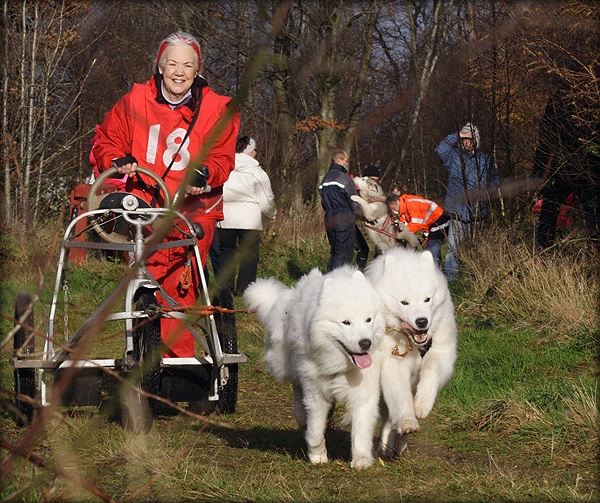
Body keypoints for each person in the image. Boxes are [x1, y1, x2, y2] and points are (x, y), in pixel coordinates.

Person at [92, 31, 240, 357]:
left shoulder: (218, 109)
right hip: (147, 206)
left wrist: (206, 173)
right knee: (146, 281)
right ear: (160, 67)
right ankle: (145, 358)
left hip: (195, 210)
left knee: (183, 286)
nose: (179, 72)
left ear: (197, 70)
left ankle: (178, 363)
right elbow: (107, 140)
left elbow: (222, 156)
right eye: (172, 63)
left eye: (187, 65)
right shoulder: (134, 102)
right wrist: (117, 160)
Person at [435, 123, 499, 280]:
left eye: (470, 138)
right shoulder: (455, 156)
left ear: (476, 140)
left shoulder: (485, 159)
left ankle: (475, 278)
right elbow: (441, 149)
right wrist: (458, 134)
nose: (466, 142)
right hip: (457, 211)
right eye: (464, 139)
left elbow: (495, 179)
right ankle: (452, 280)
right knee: (453, 249)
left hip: (478, 211)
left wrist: (486, 194)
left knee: (476, 248)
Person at [217, 136, 277, 296]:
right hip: (249, 220)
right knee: (249, 255)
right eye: (255, 150)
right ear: (250, 152)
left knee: (226, 252)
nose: (256, 153)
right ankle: (245, 289)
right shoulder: (257, 172)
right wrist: (272, 213)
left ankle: (225, 287)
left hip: (225, 217)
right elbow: (266, 197)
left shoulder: (224, 167)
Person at [319, 149, 360, 271]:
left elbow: (323, 199)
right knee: (344, 252)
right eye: (345, 161)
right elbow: (354, 200)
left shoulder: (324, 180)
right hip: (344, 217)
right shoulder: (344, 178)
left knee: (335, 251)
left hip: (329, 218)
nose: (347, 164)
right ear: (339, 160)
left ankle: (329, 279)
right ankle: (338, 282)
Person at [386, 192, 450, 267]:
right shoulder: (403, 207)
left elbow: (416, 224)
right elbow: (405, 223)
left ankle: (433, 271)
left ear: (396, 203)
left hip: (438, 221)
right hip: (429, 224)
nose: (394, 212)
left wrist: (402, 234)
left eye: (393, 209)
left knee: (430, 251)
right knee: (428, 248)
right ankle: (437, 265)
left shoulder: (411, 204)